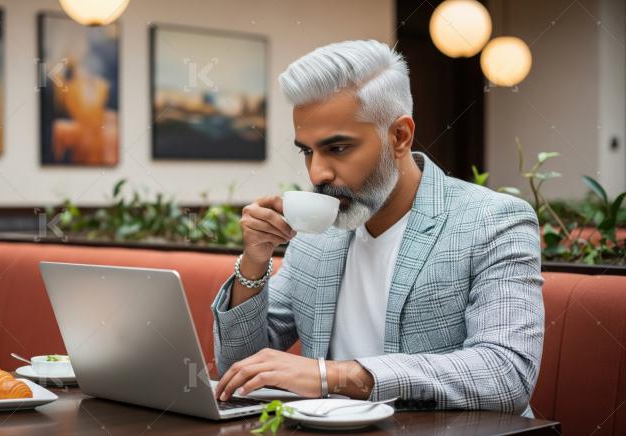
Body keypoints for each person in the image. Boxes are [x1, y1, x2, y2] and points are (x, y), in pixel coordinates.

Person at [212, 40, 544, 417]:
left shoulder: (493, 221)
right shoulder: (317, 235)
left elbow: (507, 375)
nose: (317, 173)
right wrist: (254, 263)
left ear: (399, 136)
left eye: (337, 149)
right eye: (307, 151)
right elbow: (238, 371)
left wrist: (334, 376)